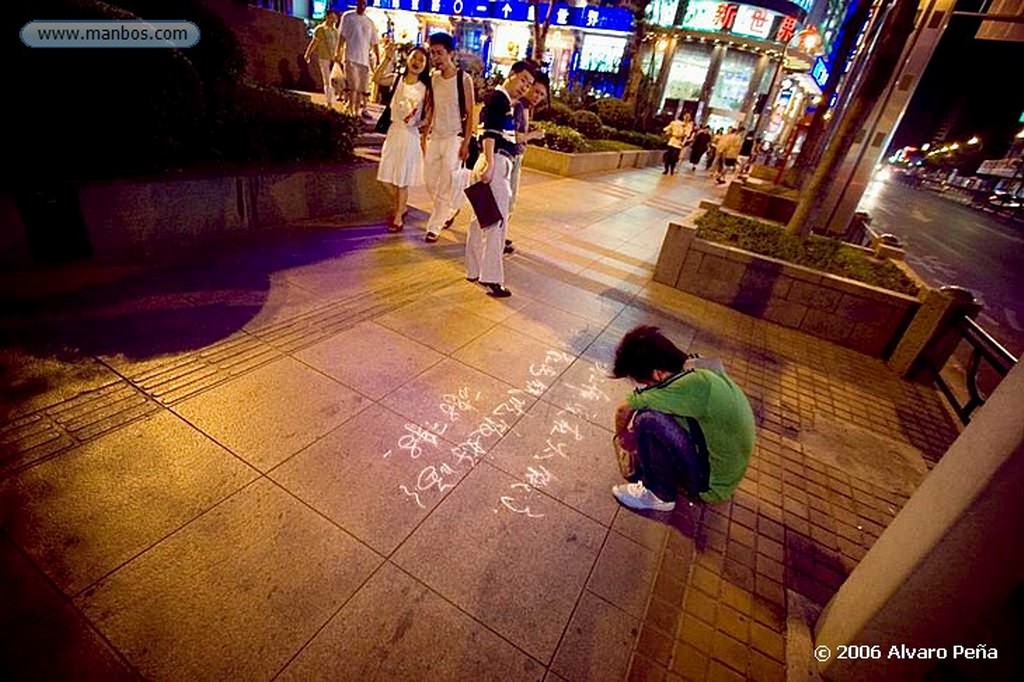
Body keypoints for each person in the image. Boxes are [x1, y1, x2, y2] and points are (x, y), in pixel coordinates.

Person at [609, 326, 755, 512]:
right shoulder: (695, 367)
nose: (646, 387)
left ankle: (659, 494)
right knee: (657, 411)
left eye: (646, 383)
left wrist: (622, 437)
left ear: (658, 373)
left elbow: (624, 409)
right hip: (726, 475)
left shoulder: (690, 385)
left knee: (646, 419)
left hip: (710, 485)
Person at [464, 60, 537, 298]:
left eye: (528, 84)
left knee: (480, 220)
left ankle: (473, 270)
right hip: (494, 163)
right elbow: (489, 134)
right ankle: (492, 279)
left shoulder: (501, 99)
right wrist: (490, 164)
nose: (524, 87)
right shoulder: (499, 98)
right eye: (523, 80)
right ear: (512, 74)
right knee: (496, 224)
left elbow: (492, 132)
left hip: (491, 162)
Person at [422, 32, 476, 244]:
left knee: (445, 182)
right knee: (429, 179)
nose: (436, 57)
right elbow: (430, 108)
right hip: (436, 137)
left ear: (450, 54)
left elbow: (471, 113)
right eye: (432, 53)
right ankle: (451, 208)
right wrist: (424, 134)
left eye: (440, 53)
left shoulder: (464, 79)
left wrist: (466, 142)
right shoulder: (434, 79)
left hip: (455, 137)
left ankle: (434, 227)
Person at [375, 46, 431, 233]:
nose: (417, 62)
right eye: (415, 57)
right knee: (385, 177)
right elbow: (377, 78)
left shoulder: (425, 88)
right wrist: (387, 57)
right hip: (394, 131)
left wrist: (420, 124)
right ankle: (401, 206)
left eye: (422, 60)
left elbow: (430, 114)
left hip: (409, 135)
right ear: (408, 58)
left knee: (402, 179)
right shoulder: (397, 78)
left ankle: (398, 217)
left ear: (425, 65)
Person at [505, 71, 549, 255]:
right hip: (510, 157)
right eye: (536, 91)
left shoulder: (526, 107)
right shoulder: (518, 106)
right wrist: (534, 135)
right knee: (507, 200)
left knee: (510, 201)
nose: (537, 97)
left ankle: (500, 234)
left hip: (517, 157)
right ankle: (497, 237)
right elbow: (514, 136)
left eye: (542, 95)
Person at [339, 0, 380, 119]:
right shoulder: (348, 17)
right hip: (350, 57)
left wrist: (377, 58)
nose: (361, 6)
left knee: (362, 88)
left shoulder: (369, 22)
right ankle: (351, 110)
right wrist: (338, 51)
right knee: (354, 86)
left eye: (364, 4)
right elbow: (342, 36)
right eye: (360, 3)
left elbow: (375, 42)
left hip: (364, 61)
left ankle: (357, 110)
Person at [303, 10, 340, 109]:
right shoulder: (320, 29)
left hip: (334, 59)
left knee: (335, 80)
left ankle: (333, 99)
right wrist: (307, 54)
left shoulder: (336, 31)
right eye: (332, 17)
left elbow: (338, 46)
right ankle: (329, 102)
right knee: (327, 80)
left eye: (335, 17)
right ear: (327, 17)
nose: (334, 19)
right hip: (324, 57)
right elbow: (314, 43)